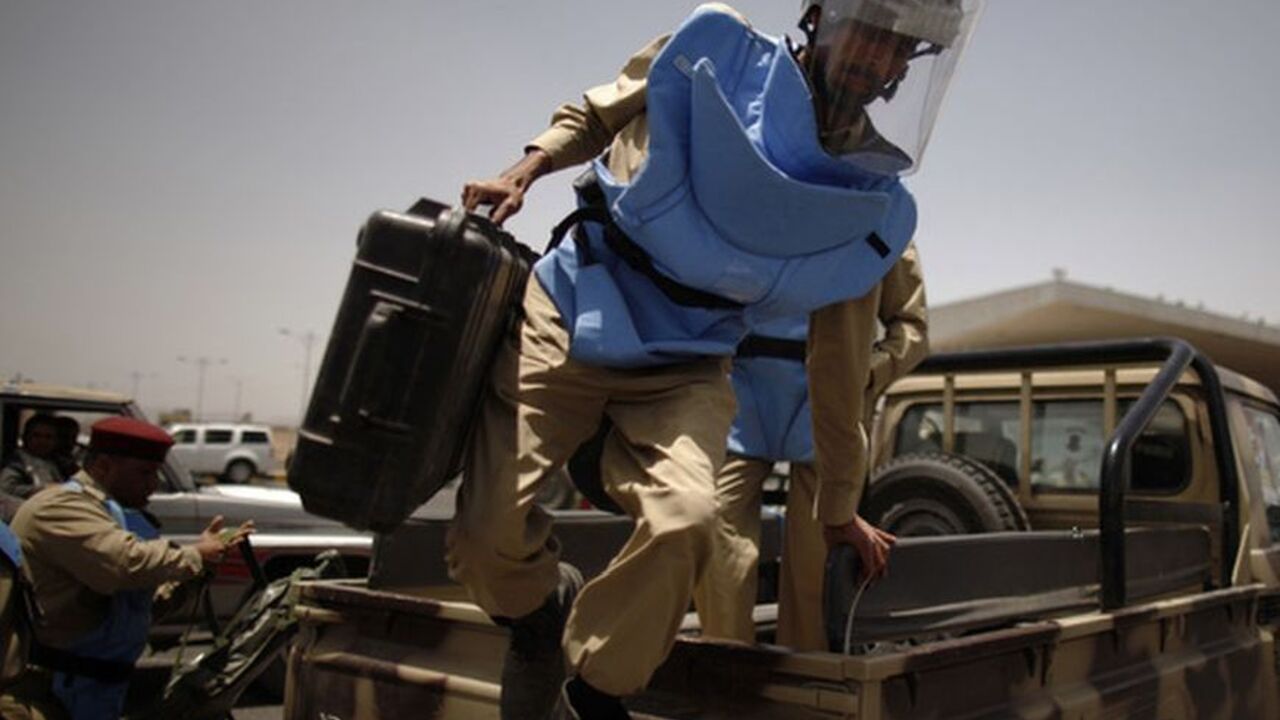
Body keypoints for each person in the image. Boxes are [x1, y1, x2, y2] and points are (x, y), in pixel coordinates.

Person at [447, 2, 981, 717]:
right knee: (487, 541)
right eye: (869, 29)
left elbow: (840, 367)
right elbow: (600, 111)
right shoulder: (720, 57)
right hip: (579, 303)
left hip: (690, 357)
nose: (878, 56)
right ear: (821, 16)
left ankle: (600, 685)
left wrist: (838, 509)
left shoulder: (862, 199)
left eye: (901, 48)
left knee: (688, 522)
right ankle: (544, 610)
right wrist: (525, 169)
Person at [694, 244, 927, 651]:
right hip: (741, 390)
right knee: (713, 535)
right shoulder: (750, 193)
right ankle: (726, 675)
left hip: (827, 402)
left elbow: (912, 327)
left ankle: (807, 689)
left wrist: (863, 375)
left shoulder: (884, 217)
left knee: (817, 566)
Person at [0, 417, 253, 720]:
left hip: (90, 693)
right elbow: (124, 564)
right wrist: (195, 555)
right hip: (44, 695)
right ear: (104, 466)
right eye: (144, 472)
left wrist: (201, 569)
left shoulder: (112, 515)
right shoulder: (59, 508)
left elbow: (139, 606)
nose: (154, 483)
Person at [0, 416, 65, 522]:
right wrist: (43, 489)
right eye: (36, 436)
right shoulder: (17, 462)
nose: (42, 441)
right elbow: (5, 488)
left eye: (48, 437)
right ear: (26, 437)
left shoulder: (56, 462)